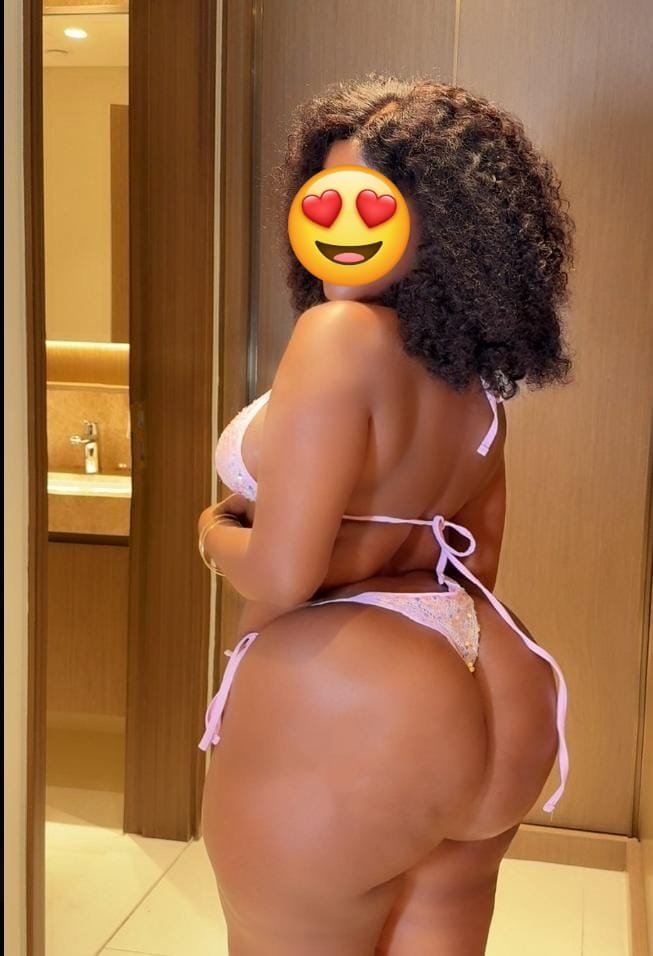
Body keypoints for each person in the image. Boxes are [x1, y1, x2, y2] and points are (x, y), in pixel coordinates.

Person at [196, 74, 575, 956]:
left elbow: (284, 574)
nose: (338, 224)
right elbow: (473, 567)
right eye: (320, 199)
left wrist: (212, 534)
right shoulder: (476, 384)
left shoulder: (337, 338)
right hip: (498, 683)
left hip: (354, 696)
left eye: (371, 202)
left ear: (445, 226)